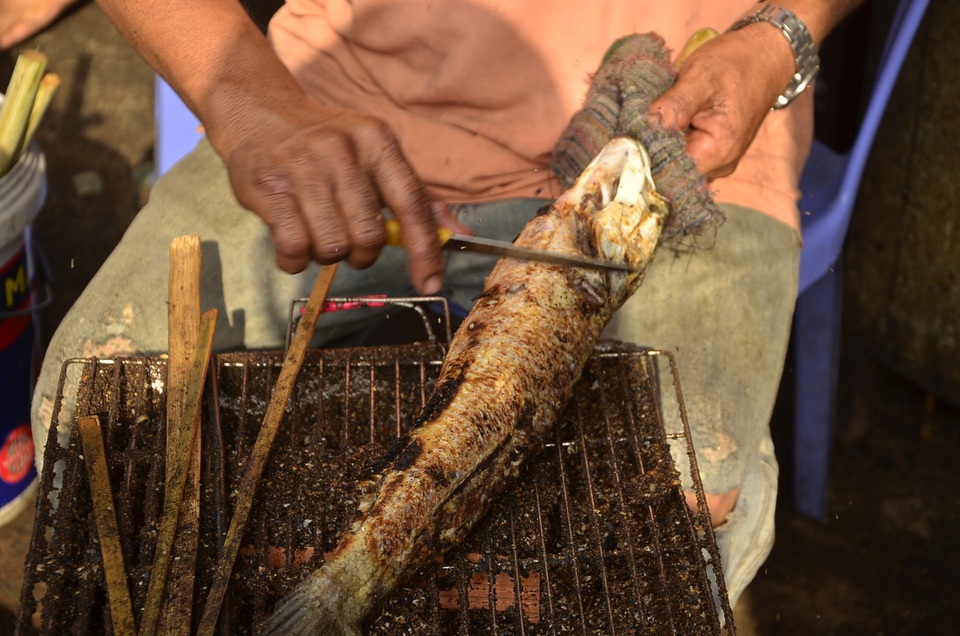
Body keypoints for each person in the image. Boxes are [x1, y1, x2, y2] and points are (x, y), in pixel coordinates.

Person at [31, 0, 863, 610]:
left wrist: (780, 37)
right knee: (96, 420)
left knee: (688, 513)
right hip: (337, 104)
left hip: (698, 142)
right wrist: (244, 98)